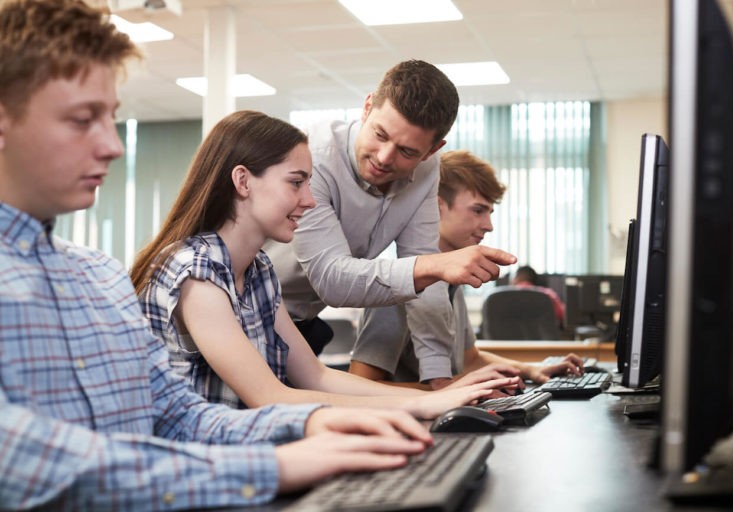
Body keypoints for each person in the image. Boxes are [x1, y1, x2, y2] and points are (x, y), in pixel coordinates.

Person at [0, 1, 447, 508]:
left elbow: (180, 415)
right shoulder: (188, 268)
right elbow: (36, 465)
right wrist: (285, 462)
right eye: (83, 120)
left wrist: (322, 421)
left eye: (112, 119)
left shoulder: (101, 278)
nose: (113, 146)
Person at [130, 110, 518, 420]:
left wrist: (443, 394)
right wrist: (421, 404)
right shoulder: (197, 271)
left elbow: (315, 376)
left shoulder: (259, 270)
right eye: (296, 183)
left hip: (243, 449)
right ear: (243, 182)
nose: (310, 201)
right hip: (197, 468)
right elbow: (269, 397)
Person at [264, 60, 517, 390]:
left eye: (407, 151)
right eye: (380, 135)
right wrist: (435, 265)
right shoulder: (316, 159)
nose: (384, 157)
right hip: (246, 314)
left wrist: (440, 382)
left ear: (432, 150)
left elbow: (426, 282)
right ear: (367, 107)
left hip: (300, 325)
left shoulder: (427, 172)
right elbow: (332, 280)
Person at [349, 150, 583, 385]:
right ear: (436, 207)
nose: (489, 226)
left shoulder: (451, 283)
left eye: (490, 213)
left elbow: (470, 359)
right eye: (478, 210)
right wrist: (450, 391)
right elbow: (361, 386)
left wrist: (531, 370)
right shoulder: (398, 286)